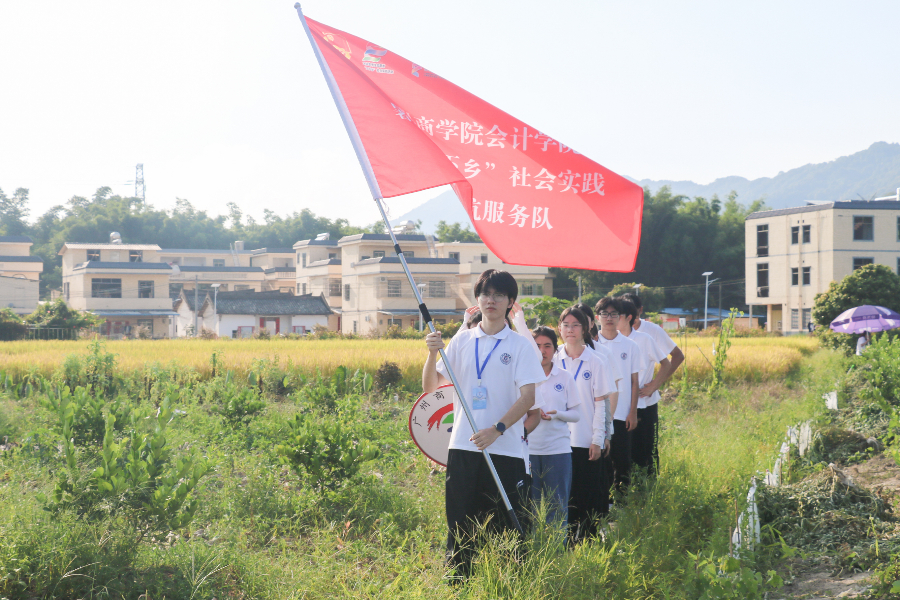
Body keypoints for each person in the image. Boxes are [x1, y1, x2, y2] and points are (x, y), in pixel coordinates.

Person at [422, 269, 545, 580]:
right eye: (486, 294)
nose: (491, 300)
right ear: (477, 301)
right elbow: (430, 387)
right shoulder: (463, 340)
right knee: (460, 521)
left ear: (510, 302)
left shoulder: (519, 346)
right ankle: (458, 582)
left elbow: (528, 397)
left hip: (505, 449)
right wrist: (431, 353)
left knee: (507, 524)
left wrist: (497, 429)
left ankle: (507, 583)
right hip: (464, 446)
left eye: (499, 295)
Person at [555, 306, 615, 540]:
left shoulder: (596, 361)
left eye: (575, 325)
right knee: (564, 496)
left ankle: (587, 541)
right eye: (565, 325)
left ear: (586, 328)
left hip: (584, 440)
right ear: (559, 328)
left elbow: (602, 404)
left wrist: (598, 439)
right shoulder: (552, 358)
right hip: (557, 441)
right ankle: (566, 542)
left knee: (586, 494)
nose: (570, 330)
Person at [619, 292, 681, 476]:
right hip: (621, 403)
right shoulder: (611, 336)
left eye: (633, 313)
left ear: (638, 312)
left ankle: (649, 490)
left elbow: (676, 357)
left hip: (645, 402)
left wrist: (655, 385)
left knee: (647, 451)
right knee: (623, 452)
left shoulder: (651, 332)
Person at [595, 297, 644, 502]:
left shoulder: (630, 345)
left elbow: (634, 381)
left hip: (622, 412)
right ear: (597, 317)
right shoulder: (591, 343)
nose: (609, 318)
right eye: (605, 314)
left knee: (622, 461)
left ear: (621, 318)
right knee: (602, 460)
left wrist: (633, 411)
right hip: (598, 413)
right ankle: (603, 502)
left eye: (614, 314)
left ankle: (622, 504)